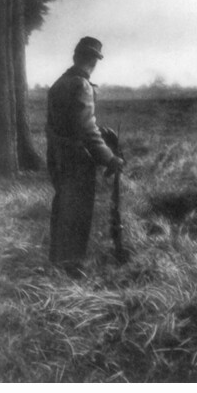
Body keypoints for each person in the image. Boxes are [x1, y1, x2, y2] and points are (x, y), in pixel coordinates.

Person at [46, 36, 124, 276]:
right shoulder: (81, 85)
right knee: (78, 212)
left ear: (75, 56)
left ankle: (58, 262)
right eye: (94, 59)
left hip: (58, 156)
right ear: (93, 60)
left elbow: (65, 124)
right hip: (77, 160)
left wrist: (98, 131)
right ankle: (72, 267)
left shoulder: (59, 83)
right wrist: (110, 158)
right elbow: (86, 131)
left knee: (63, 208)